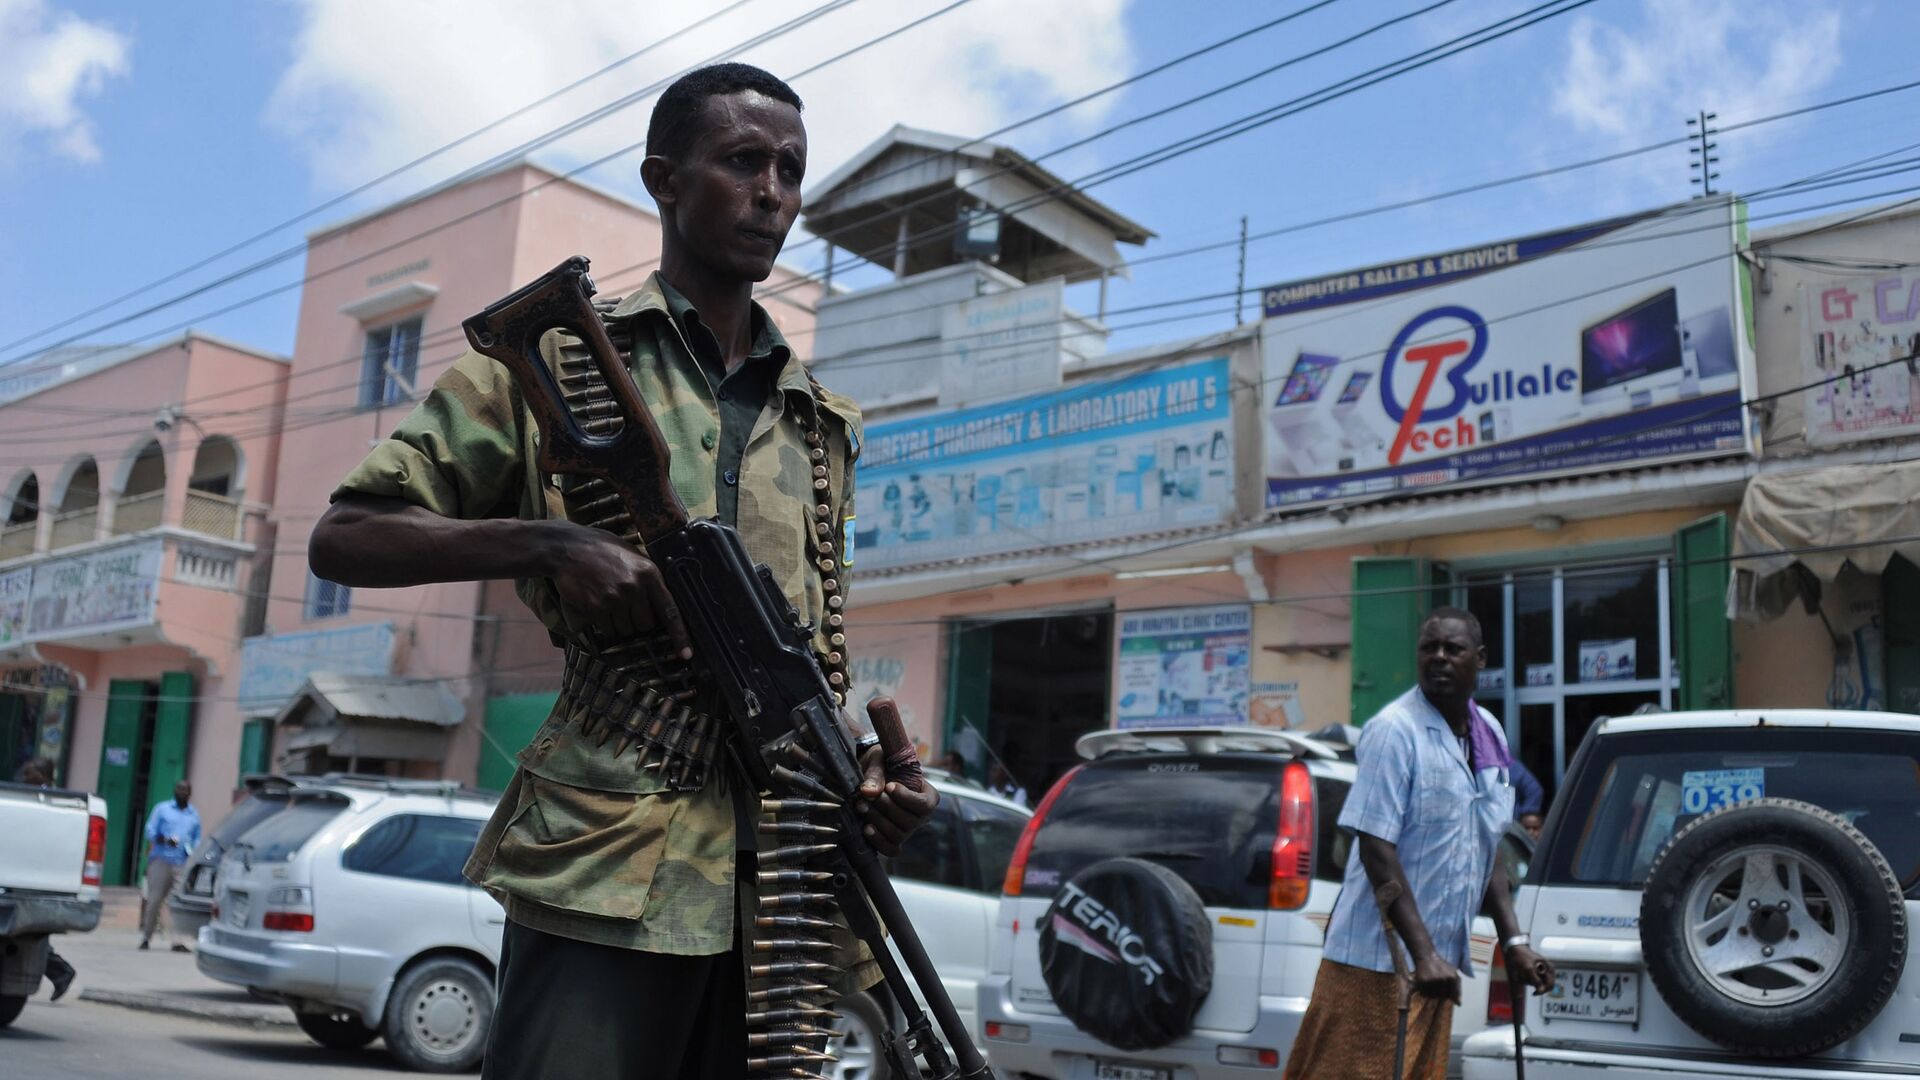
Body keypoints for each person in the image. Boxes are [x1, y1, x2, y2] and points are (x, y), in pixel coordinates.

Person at [309, 63, 936, 1080]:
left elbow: (815, 648)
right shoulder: (554, 366)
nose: (772, 192)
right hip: (607, 859)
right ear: (664, 180)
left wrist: (868, 775)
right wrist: (547, 544)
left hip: (780, 879)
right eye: (742, 162)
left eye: (790, 169)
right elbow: (347, 534)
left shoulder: (825, 424)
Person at [1283, 608, 1554, 1080]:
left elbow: (1484, 844)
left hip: (1436, 969)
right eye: (1430, 648)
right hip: (1373, 966)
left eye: (1454, 649)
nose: (1440, 658)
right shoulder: (1394, 731)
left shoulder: (1488, 732)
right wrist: (1422, 952)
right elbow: (1374, 845)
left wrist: (1513, 942)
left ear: (1480, 659)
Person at [13, 758, 77, 999]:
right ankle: (61, 972)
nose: (25, 777)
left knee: (30, 932)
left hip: (39, 874)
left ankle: (62, 971)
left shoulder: (51, 801)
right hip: (26, 872)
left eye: (30, 773)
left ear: (42, 776)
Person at [139, 779, 199, 953]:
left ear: (190, 793)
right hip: (161, 860)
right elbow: (150, 830)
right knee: (154, 900)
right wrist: (163, 839)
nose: (182, 792)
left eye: (185, 790)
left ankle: (177, 941)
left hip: (181, 863)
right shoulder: (162, 809)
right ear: (175, 791)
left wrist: (193, 852)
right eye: (179, 789)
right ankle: (146, 937)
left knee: (178, 902)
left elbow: (196, 837)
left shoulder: (193, 815)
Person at [1510, 756, 1546, 840]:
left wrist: (1521, 816)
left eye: (1535, 828)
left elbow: (1535, 791)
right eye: (1527, 828)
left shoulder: (1510, 767)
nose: (1531, 833)